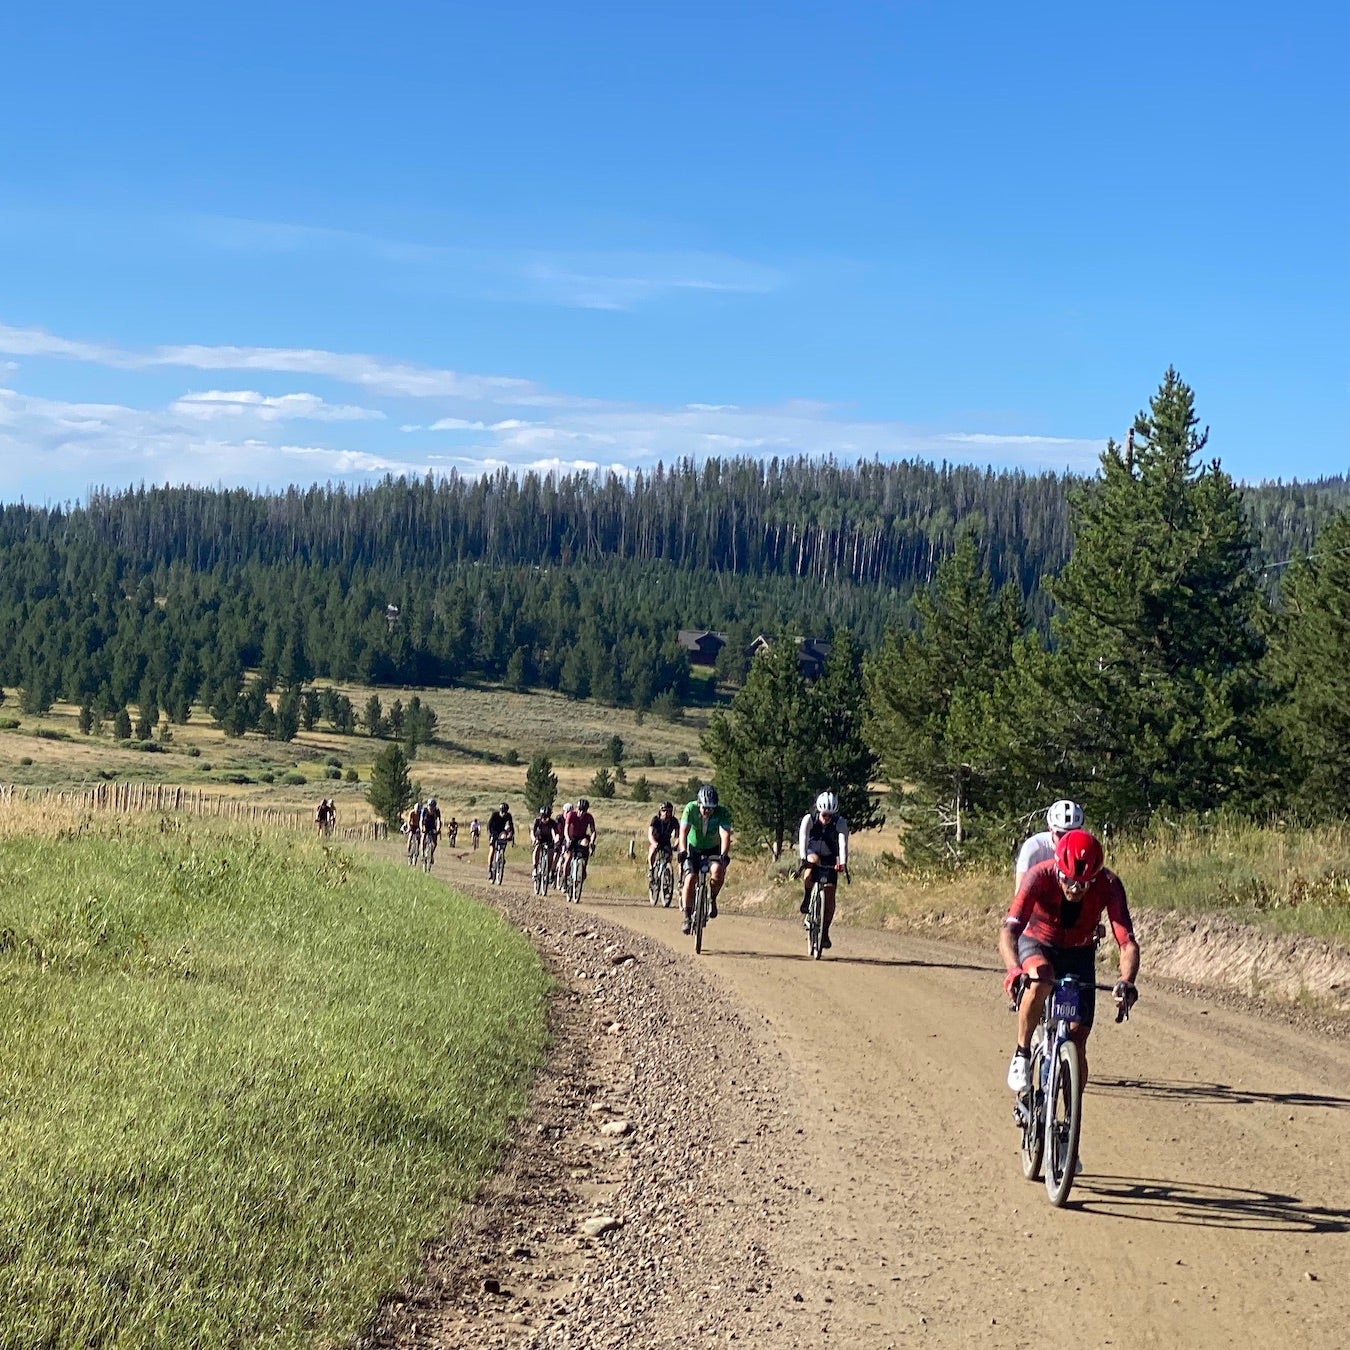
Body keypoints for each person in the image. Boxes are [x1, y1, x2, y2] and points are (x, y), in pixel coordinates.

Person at [999, 829, 1140, 1101]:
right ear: (1057, 869)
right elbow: (1009, 931)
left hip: (1079, 951)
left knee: (1078, 1039)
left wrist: (1127, 980)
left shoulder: (1108, 884)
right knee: (1041, 977)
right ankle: (1022, 1051)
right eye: (1068, 880)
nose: (1075, 890)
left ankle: (1069, 1114)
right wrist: (1014, 970)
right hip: (1038, 943)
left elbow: (1127, 943)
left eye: (1084, 884)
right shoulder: (1039, 876)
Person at [677, 784, 732, 936]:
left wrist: (724, 854)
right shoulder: (690, 808)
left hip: (713, 848)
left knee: (717, 872)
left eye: (711, 808)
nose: (707, 811)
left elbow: (725, 835)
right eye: (704, 808)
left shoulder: (722, 812)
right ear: (699, 804)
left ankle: (712, 898)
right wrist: (682, 850)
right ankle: (687, 916)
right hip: (693, 848)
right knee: (690, 879)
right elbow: (683, 831)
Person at [797, 791, 850, 950]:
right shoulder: (810, 819)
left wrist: (843, 863)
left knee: (830, 895)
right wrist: (803, 858)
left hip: (830, 857)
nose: (827, 818)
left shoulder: (839, 823)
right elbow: (803, 838)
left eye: (830, 815)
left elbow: (843, 843)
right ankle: (807, 898)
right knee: (812, 863)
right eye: (824, 814)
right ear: (819, 811)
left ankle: (825, 931)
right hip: (812, 852)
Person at [1015, 799, 1084, 883]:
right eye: (1060, 834)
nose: (1065, 839)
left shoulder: (1085, 848)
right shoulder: (1033, 847)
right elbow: (1020, 891)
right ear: (1050, 828)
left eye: (1072, 835)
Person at [561, 798, 597, 886]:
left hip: (581, 837)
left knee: (586, 844)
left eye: (583, 811)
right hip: (571, 837)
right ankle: (564, 879)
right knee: (568, 858)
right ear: (577, 808)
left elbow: (593, 831)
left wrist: (592, 841)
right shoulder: (571, 815)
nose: (581, 813)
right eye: (579, 810)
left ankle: (583, 867)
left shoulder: (589, 817)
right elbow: (566, 829)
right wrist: (568, 839)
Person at [647, 801, 679, 882]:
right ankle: (651, 870)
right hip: (656, 840)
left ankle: (667, 876)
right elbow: (650, 834)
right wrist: (654, 843)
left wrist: (675, 845)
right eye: (664, 810)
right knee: (652, 852)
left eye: (668, 811)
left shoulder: (674, 821)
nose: (666, 813)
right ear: (660, 811)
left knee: (669, 857)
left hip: (666, 842)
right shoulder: (655, 820)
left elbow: (678, 836)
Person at [486, 801, 515, 876]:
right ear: (500, 810)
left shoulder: (508, 816)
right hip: (493, 831)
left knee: (503, 842)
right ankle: (489, 868)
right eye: (502, 812)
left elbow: (511, 826)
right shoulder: (495, 815)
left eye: (505, 812)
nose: (504, 814)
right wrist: (491, 833)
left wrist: (511, 835)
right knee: (492, 850)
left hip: (502, 832)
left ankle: (501, 855)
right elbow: (489, 825)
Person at [531, 806, 558, 878]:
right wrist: (534, 839)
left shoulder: (552, 823)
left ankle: (548, 871)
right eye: (544, 817)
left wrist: (556, 841)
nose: (545, 819)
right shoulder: (537, 821)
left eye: (547, 817)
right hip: (539, 838)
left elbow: (555, 833)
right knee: (537, 847)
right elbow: (532, 832)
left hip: (548, 839)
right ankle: (535, 868)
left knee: (551, 852)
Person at [420, 797, 442, 865]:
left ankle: (431, 854)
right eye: (430, 806)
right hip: (425, 824)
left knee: (435, 842)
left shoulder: (437, 811)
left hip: (432, 825)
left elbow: (438, 820)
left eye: (432, 806)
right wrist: (422, 828)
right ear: (427, 805)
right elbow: (421, 821)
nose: (431, 808)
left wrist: (438, 829)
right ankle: (422, 852)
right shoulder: (424, 810)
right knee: (423, 837)